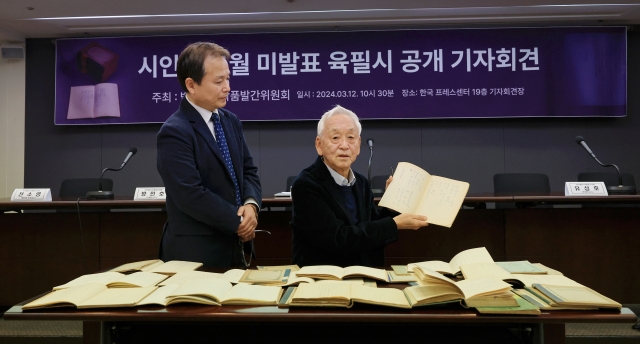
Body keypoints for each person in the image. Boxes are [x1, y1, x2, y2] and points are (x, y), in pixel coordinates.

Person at [157, 42, 261, 267]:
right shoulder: (175, 131)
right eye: (218, 81)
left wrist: (251, 206)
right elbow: (189, 194)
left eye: (228, 78)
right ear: (191, 85)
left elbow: (248, 171)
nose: (228, 87)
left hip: (236, 246)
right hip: (196, 255)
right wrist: (239, 220)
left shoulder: (230, 121)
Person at [290, 105, 428, 267]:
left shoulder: (361, 183)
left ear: (359, 144)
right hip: (325, 280)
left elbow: (371, 228)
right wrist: (394, 224)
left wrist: (393, 201)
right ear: (319, 145)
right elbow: (338, 239)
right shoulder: (306, 185)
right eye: (335, 138)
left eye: (350, 137)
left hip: (365, 275)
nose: (344, 145)